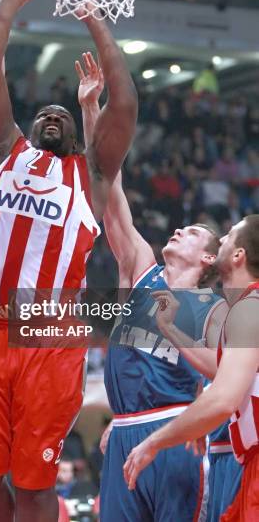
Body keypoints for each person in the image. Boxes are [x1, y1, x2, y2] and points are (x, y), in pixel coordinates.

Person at [0, 0, 137, 522]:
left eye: (64, 114)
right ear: (24, 130)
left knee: (33, 489)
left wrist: (95, 19)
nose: (53, 114)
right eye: (43, 113)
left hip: (47, 336)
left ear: (79, 138)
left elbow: (124, 103)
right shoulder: (3, 152)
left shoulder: (91, 177)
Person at [75, 53, 227, 521]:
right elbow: (109, 180)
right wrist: (90, 111)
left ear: (209, 259)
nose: (180, 230)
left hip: (176, 433)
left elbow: (228, 379)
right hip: (122, 430)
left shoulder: (214, 308)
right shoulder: (140, 269)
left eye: (194, 232)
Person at [124, 215, 259, 521]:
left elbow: (223, 398)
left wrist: (156, 440)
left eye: (228, 235)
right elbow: (224, 373)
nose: (221, 239)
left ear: (239, 255)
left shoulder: (250, 307)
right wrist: (169, 327)